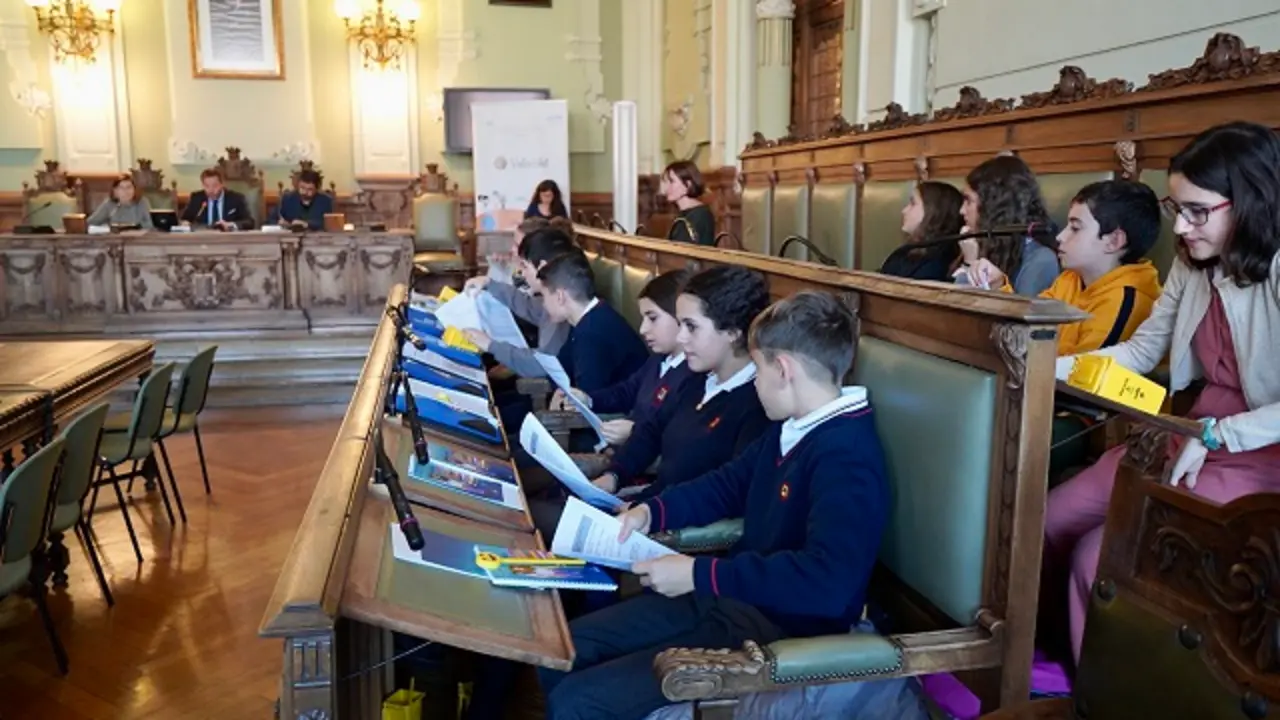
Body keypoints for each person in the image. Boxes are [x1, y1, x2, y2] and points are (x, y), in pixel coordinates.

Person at [538, 290, 890, 720]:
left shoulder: (846, 453)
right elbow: (726, 485)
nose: (755, 381)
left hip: (777, 630)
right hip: (727, 597)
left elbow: (827, 583)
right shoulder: (794, 426)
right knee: (562, 648)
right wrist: (653, 511)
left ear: (783, 370)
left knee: (576, 703)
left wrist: (697, 573)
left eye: (758, 369)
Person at [1042, 121, 1280, 666]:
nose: (1183, 227)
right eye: (1178, 209)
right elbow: (1143, 349)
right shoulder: (1195, 262)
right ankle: (1053, 665)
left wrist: (1222, 435)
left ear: (1250, 201)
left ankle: (1101, 693)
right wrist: (1043, 368)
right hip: (1187, 432)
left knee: (1097, 558)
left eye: (1198, 210)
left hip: (1258, 451)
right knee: (1054, 519)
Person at [528, 265, 772, 543]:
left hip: (670, 532)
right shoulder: (696, 379)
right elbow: (651, 432)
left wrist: (649, 510)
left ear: (733, 332)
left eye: (691, 327)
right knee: (531, 506)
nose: (681, 337)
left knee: (534, 519)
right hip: (646, 508)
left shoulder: (756, 404)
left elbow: (728, 493)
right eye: (680, 325)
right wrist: (614, 477)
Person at [550, 269, 696, 448]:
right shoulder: (659, 359)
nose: (643, 329)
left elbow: (677, 437)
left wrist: (636, 432)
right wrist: (588, 399)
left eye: (652, 318)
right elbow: (627, 391)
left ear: (681, 318)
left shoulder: (692, 375)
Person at [953, 155, 1058, 296]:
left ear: (992, 207)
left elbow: (962, 305)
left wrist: (970, 264)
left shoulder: (1040, 260)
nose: (961, 210)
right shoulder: (984, 246)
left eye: (968, 201)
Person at [880, 181, 965, 281]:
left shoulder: (937, 264)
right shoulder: (907, 252)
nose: (904, 211)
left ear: (933, 211)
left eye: (913, 203)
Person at [180, 168, 255, 230]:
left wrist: (231, 225)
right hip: (202, 239)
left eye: (215, 186)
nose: (211, 190)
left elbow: (249, 222)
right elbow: (185, 219)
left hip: (228, 239)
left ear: (222, 184)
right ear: (202, 185)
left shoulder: (236, 199)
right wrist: (185, 223)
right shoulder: (196, 198)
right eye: (207, 186)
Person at [662, 160, 716, 246]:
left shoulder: (700, 214)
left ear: (688, 184)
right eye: (666, 182)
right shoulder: (682, 213)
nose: (666, 187)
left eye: (671, 181)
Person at [87, 175, 154, 230]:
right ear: (115, 191)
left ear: (134, 189)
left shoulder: (142, 202)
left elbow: (149, 225)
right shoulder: (109, 203)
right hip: (115, 239)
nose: (126, 191)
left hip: (138, 239)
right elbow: (91, 222)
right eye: (121, 188)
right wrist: (107, 227)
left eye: (129, 187)